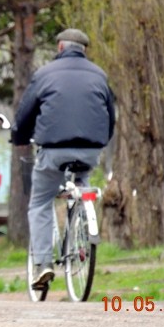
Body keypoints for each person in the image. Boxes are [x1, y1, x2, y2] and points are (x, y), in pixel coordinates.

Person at [11, 28, 116, 289]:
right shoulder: (99, 75)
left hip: (54, 151)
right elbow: (110, 117)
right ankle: (81, 229)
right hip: (91, 150)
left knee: (40, 202)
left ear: (60, 47)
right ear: (84, 50)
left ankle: (43, 264)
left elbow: (25, 114)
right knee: (81, 184)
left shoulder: (45, 74)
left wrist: (18, 137)